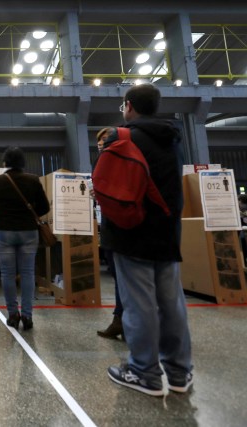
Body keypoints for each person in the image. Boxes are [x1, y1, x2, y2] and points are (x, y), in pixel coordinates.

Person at [104, 83, 192, 397]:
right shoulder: (171, 138)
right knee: (172, 302)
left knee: (139, 304)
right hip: (167, 231)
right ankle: (180, 372)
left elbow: (110, 188)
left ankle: (144, 372)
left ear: (128, 106)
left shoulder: (123, 137)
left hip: (132, 233)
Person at [0, 147, 50, 330]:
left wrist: (2, 215)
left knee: (7, 273)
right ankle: (27, 316)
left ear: (5, 162)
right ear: (23, 162)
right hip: (28, 230)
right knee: (28, 273)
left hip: (4, 231)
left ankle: (13, 314)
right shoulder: (33, 180)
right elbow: (44, 207)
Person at [94, 127, 125, 340]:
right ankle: (120, 319)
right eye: (99, 142)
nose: (101, 145)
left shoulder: (117, 164)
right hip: (112, 229)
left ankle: (124, 321)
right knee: (119, 277)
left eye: (104, 140)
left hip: (119, 229)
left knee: (125, 278)